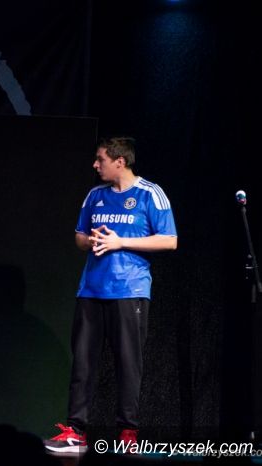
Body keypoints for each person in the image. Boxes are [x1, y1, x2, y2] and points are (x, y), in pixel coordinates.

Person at [44, 137, 177, 453]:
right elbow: (79, 237)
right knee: (83, 363)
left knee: (128, 363)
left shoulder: (150, 193)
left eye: (100, 159)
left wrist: (121, 242)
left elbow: (169, 240)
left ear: (120, 161)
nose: (95, 164)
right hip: (91, 289)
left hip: (130, 290)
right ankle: (75, 431)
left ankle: (127, 433)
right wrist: (91, 241)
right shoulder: (95, 195)